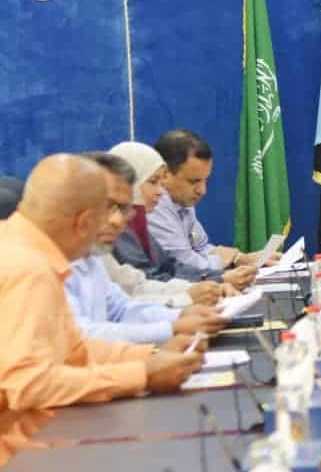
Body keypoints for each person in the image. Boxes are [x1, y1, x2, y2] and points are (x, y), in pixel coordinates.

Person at [0, 155, 202, 472]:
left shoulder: (22, 247)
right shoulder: (23, 268)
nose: (115, 225)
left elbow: (73, 349)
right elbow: (30, 387)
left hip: (2, 428)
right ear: (83, 222)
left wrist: (147, 357)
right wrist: (141, 375)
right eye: (105, 214)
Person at [65, 153, 229, 345]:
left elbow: (122, 309)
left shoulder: (90, 254)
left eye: (123, 209)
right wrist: (175, 322)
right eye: (107, 206)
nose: (117, 220)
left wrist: (180, 316)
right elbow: (81, 337)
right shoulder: (43, 261)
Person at [108, 141, 243, 304]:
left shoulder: (139, 221)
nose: (160, 191)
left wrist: (216, 279)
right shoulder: (120, 228)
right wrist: (208, 285)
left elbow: (169, 267)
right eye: (152, 181)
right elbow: (147, 281)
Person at [148, 129, 278, 274]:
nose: (202, 190)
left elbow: (201, 247)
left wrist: (239, 258)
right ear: (165, 174)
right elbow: (183, 264)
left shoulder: (182, 201)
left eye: (205, 180)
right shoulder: (153, 205)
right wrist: (224, 260)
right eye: (194, 181)